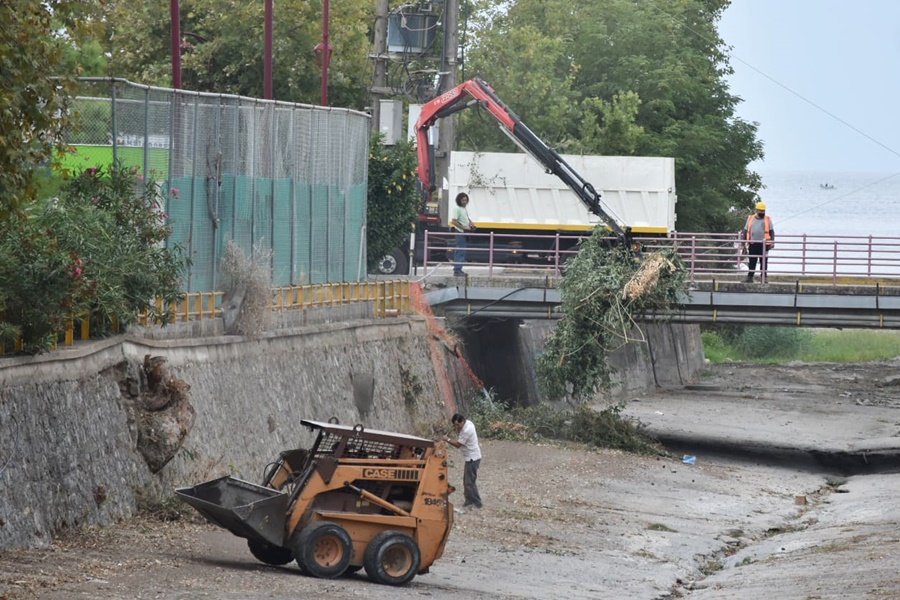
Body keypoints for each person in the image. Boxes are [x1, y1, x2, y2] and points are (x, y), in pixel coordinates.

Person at [442, 413, 482, 508]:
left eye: (458, 425)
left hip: (473, 458)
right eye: (455, 425)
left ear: (462, 421)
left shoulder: (466, 430)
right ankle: (469, 501)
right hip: (470, 457)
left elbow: (458, 445)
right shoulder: (467, 423)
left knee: (469, 482)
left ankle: (476, 502)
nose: (457, 427)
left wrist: (447, 439)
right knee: (466, 480)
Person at [741, 200, 775, 282]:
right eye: (761, 211)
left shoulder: (767, 219)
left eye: (763, 211)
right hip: (753, 243)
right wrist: (743, 243)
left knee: (764, 262)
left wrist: (772, 242)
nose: (762, 212)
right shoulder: (750, 218)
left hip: (764, 244)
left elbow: (772, 231)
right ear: (757, 210)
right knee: (752, 261)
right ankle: (750, 277)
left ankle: (764, 278)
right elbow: (745, 231)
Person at [449, 192, 475, 276]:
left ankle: (458, 269)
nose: (465, 202)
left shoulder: (464, 209)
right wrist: (463, 227)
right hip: (460, 232)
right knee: (460, 250)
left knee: (462, 250)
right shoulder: (457, 209)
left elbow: (466, 217)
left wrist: (471, 223)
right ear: (459, 200)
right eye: (463, 200)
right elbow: (454, 221)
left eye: (466, 200)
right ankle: (457, 270)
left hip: (463, 232)